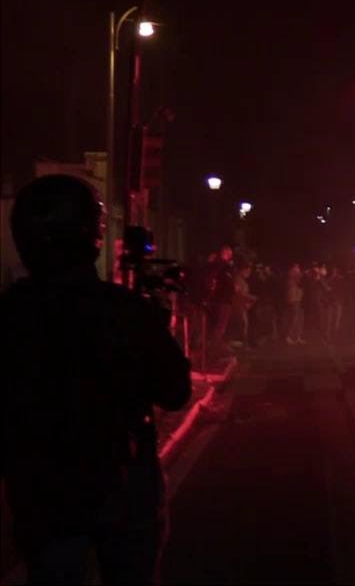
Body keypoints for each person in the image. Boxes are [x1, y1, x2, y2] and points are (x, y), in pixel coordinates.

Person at [1, 175, 191, 584]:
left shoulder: (11, 314)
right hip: (120, 479)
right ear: (91, 236)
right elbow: (175, 389)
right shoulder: (123, 311)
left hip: (39, 487)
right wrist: (158, 324)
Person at [205, 245, 236, 351]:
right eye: (229, 254)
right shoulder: (224, 267)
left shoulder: (212, 265)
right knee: (220, 325)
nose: (230, 256)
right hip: (223, 299)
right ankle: (214, 347)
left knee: (214, 325)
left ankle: (212, 345)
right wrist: (233, 287)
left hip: (213, 299)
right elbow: (228, 283)